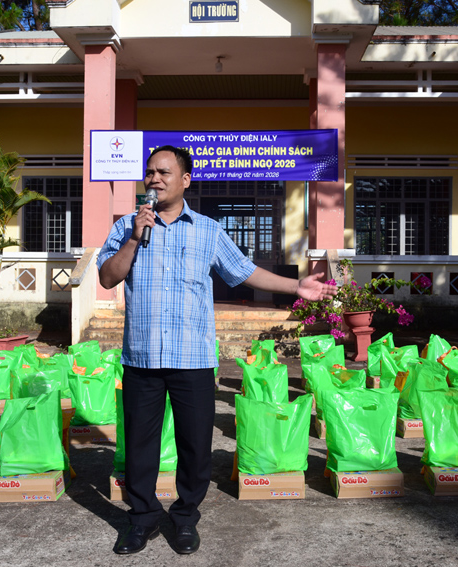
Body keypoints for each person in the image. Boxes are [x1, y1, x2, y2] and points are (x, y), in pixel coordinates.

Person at [97, 145, 337, 555]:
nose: (154, 179)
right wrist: (135, 238)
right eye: (150, 172)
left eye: (164, 172)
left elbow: (245, 271)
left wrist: (296, 286)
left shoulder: (208, 230)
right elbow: (106, 277)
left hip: (192, 358)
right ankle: (142, 518)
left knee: (194, 446)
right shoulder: (126, 226)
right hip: (142, 357)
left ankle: (186, 517)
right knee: (139, 445)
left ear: (185, 180)